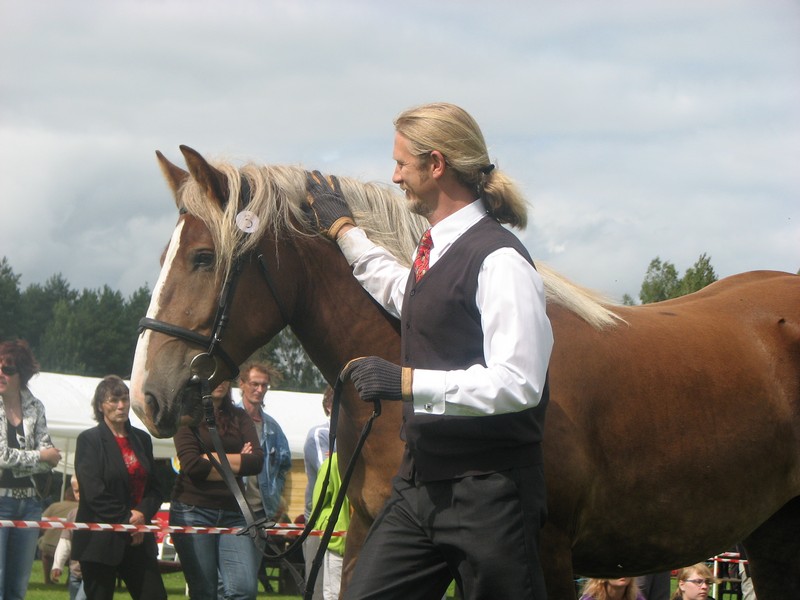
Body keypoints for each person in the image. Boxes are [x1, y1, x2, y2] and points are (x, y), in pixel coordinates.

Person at [304, 102, 554, 599]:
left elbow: (519, 382)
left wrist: (406, 382)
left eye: (401, 163)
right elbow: (408, 293)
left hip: (490, 496)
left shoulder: (501, 260)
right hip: (420, 486)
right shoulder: (434, 253)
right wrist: (346, 233)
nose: (394, 175)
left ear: (436, 164)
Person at [72, 375, 167, 600]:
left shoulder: (142, 440)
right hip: (100, 542)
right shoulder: (89, 440)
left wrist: (142, 514)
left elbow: (156, 487)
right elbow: (93, 492)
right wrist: (127, 521)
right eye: (114, 400)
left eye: (124, 399)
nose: (121, 406)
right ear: (100, 406)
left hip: (139, 539)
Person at [170, 379, 264, 600]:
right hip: (192, 510)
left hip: (235, 512)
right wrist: (239, 462)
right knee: (204, 591)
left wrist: (209, 460)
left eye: (224, 377)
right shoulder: (186, 417)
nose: (220, 382)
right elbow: (192, 466)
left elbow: (257, 462)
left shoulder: (240, 417)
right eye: (214, 377)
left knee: (245, 589)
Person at [0, 339, 62, 600]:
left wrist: (36, 459)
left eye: (8, 369)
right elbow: (3, 456)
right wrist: (39, 457)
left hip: (31, 505)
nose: (1, 374)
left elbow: (52, 459)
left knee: (18, 587)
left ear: (22, 373)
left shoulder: (35, 407)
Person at [302, 386, 333, 600]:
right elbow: (328, 472)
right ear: (329, 406)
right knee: (318, 590)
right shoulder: (319, 434)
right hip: (319, 522)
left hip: (349, 523)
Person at [310, 452, 350, 600]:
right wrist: (328, 527)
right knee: (334, 595)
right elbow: (317, 506)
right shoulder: (333, 463)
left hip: (365, 546)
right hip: (338, 546)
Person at [38, 475, 79, 584]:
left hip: (49, 546)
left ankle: (47, 579)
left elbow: (42, 525)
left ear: (66, 495)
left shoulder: (54, 506)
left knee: (45, 551)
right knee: (74, 549)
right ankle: (69, 580)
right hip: (73, 549)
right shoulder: (80, 509)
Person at [51, 475, 86, 600]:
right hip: (74, 573)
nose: (79, 494)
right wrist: (58, 565)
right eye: (76, 491)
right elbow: (65, 542)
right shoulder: (72, 514)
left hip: (91, 573)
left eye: (83, 490)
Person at [580, 577, 646, 600]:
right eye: (616, 569)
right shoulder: (589, 599)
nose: (622, 572)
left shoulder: (636, 598)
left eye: (626, 569)